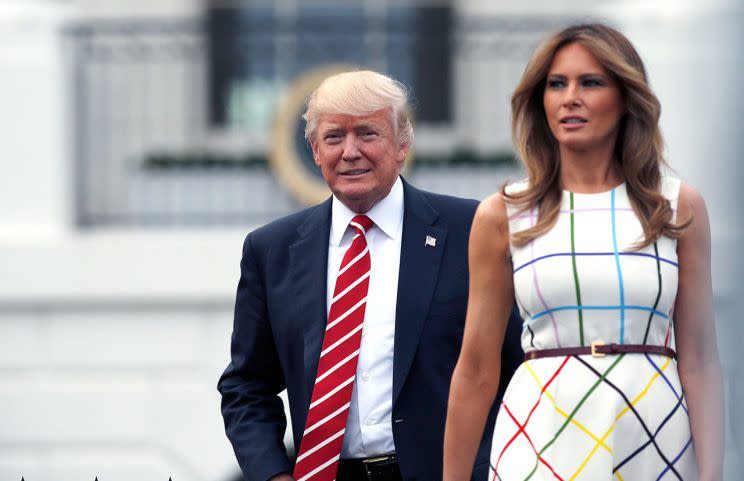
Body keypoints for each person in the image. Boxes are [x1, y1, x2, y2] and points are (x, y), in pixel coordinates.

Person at [443, 23, 724, 481]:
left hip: (654, 432)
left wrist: (712, 474)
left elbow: (701, 359)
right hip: (538, 429)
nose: (569, 97)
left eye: (590, 82)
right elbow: (475, 370)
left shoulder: (675, 206)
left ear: (626, 97)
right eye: (557, 84)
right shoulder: (503, 213)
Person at [218, 70, 523, 481]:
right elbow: (246, 386)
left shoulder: (471, 229)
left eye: (367, 133)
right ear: (314, 150)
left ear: (403, 144)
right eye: (333, 137)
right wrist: (273, 474)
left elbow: (518, 367)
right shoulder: (271, 250)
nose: (350, 152)